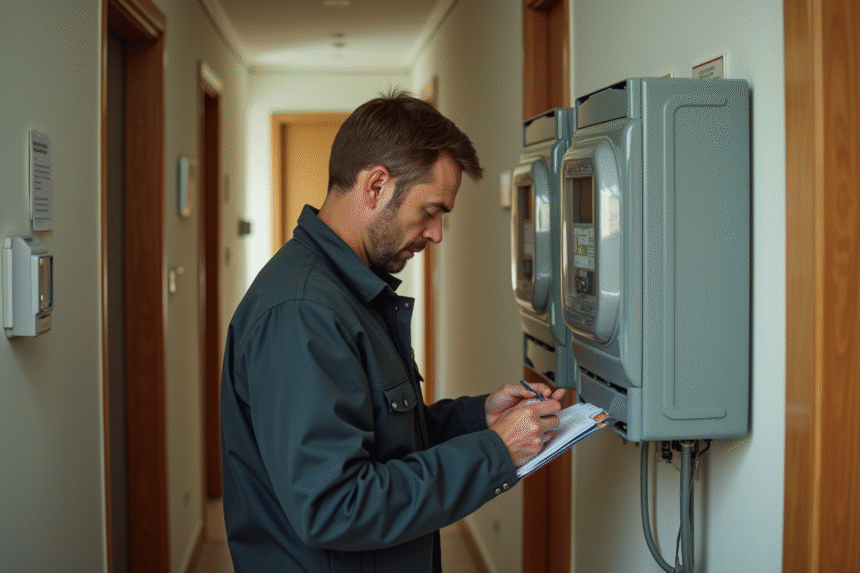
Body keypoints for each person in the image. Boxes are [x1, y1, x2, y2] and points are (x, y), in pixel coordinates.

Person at [220, 89, 565, 573]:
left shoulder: (347, 293)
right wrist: (494, 452)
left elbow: (380, 436)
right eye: (431, 211)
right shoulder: (303, 314)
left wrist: (479, 418)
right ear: (377, 186)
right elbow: (334, 506)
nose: (436, 234)